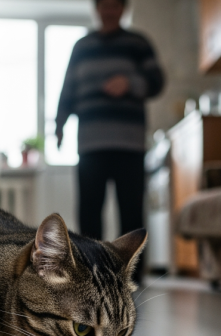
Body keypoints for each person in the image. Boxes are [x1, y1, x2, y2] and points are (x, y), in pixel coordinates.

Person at [55, 0, 164, 283]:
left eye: (115, 4)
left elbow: (157, 80)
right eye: (104, 4)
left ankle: (134, 277)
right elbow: (68, 89)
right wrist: (59, 124)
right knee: (89, 213)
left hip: (129, 143)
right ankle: (91, 273)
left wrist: (131, 83)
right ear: (97, 8)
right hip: (91, 143)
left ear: (124, 8)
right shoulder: (81, 47)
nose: (109, 10)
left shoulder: (138, 44)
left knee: (131, 212)